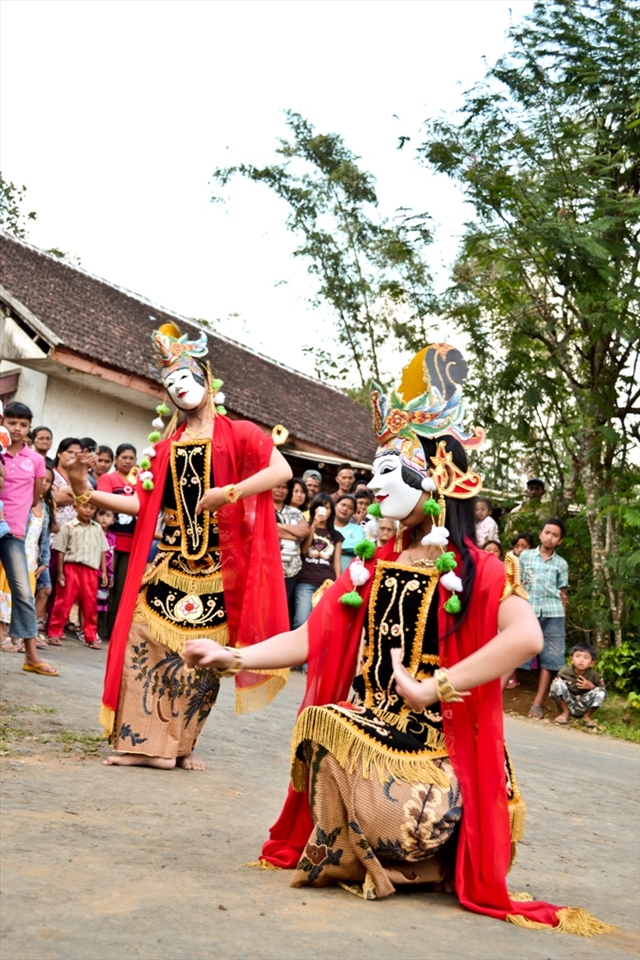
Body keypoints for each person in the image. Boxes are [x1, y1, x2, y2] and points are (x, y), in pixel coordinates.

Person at [185, 343, 612, 935]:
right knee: (326, 727)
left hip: (434, 745)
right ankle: (390, 854)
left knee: (339, 739)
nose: (372, 482)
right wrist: (233, 655)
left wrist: (433, 688)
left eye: (389, 469)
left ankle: (420, 853)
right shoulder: (372, 564)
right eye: (374, 468)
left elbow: (525, 637)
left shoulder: (479, 569)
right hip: (374, 733)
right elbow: (311, 636)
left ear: (435, 480)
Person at [65, 322, 291, 770]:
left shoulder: (241, 432)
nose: (179, 389)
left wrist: (229, 494)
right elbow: (138, 503)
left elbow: (279, 471)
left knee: (200, 663)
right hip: (169, 564)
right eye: (170, 385)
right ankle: (141, 744)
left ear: (207, 382)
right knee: (140, 640)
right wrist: (81, 486)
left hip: (215, 572)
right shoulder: (165, 447)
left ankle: (179, 747)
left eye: (185, 379)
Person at [0, 401, 56, 674]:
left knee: (23, 592)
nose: (18, 429)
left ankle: (31, 655)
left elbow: (35, 497)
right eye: (13, 423)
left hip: (13, 534)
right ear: (3, 422)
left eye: (23, 425)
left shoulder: (35, 460)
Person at [519, 518, 569, 721]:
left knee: (550, 659)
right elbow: (515, 584)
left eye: (555, 535)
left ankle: (538, 702)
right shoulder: (525, 557)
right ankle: (495, 694)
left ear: (560, 541)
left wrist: (564, 615)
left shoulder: (561, 564)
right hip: (527, 610)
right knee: (515, 650)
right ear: (540, 534)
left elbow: (563, 592)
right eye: (547, 533)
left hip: (553, 612)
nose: (550, 537)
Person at [48, 502, 109, 649]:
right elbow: (61, 551)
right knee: (64, 601)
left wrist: (104, 571)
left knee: (90, 605)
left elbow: (102, 550)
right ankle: (54, 633)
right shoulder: (68, 527)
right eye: (85, 506)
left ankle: (91, 636)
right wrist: (61, 572)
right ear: (75, 507)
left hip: (91, 570)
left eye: (92, 507)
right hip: (71, 568)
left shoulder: (97, 528)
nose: (88, 510)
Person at [96, 443, 138, 637]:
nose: (128, 461)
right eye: (124, 457)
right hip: (109, 541)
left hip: (132, 543)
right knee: (104, 586)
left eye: (132, 458)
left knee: (121, 588)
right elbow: (103, 502)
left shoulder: (140, 481)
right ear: (116, 459)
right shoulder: (108, 478)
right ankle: (98, 628)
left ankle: (114, 631)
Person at [292, 493, 343, 629]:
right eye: (320, 507)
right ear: (314, 509)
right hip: (306, 581)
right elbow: (303, 550)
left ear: (331, 511)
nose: (323, 511)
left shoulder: (336, 535)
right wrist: (313, 526)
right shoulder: (305, 529)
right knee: (301, 621)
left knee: (322, 623)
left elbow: (337, 561)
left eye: (327, 508)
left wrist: (338, 583)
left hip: (327, 583)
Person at [273, 479, 310, 627]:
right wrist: (294, 534)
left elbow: (305, 531)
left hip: (291, 571)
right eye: (277, 486)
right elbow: (268, 532)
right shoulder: (263, 509)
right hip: (267, 569)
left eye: (284, 487)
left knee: (285, 609)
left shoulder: (295, 512)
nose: (281, 490)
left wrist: (280, 526)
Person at [549, 643, 606, 727]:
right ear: (571, 659)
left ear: (592, 663)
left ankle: (586, 716)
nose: (581, 660)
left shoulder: (596, 676)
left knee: (601, 692)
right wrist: (560, 684)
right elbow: (555, 691)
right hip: (567, 702)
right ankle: (565, 713)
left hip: (584, 704)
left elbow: (604, 694)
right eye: (578, 656)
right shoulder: (564, 672)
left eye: (586, 657)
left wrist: (592, 687)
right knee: (557, 683)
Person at [95, 507, 116, 641]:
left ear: (113, 521)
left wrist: (111, 574)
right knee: (89, 601)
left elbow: (112, 557)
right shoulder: (93, 533)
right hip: (93, 570)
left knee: (101, 602)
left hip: (105, 574)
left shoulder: (113, 538)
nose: (104, 518)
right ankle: (85, 629)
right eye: (101, 515)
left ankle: (97, 630)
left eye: (108, 516)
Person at [333, 494, 361, 572]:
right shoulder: (326, 525)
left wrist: (332, 547)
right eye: (343, 505)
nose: (345, 509)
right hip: (323, 572)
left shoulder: (357, 529)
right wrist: (345, 550)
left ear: (354, 512)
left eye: (350, 508)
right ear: (335, 505)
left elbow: (359, 545)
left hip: (347, 574)